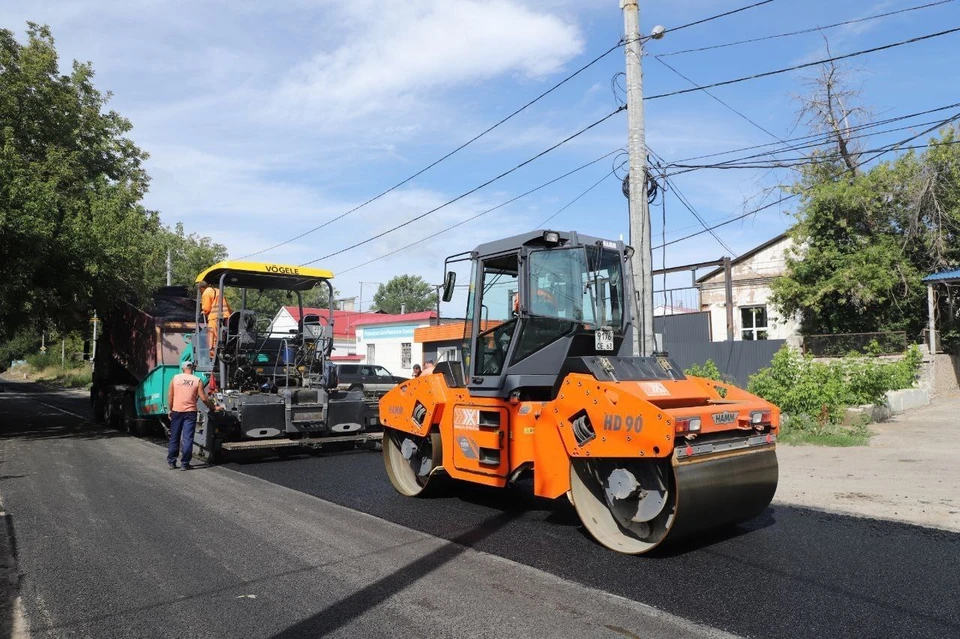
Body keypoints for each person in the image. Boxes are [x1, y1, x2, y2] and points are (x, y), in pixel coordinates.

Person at [167, 360, 222, 470]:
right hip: (190, 412)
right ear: (192, 369)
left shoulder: (175, 379)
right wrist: (214, 407)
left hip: (177, 411)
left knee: (175, 437)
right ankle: (185, 464)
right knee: (188, 438)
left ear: (183, 368)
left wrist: (170, 409)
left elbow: (170, 396)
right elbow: (204, 398)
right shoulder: (197, 380)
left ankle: (172, 462)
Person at [199, 280, 231, 358]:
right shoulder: (218, 291)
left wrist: (203, 311)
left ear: (201, 288)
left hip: (214, 316)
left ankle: (212, 353)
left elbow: (206, 308)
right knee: (222, 334)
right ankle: (222, 349)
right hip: (226, 316)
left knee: (212, 334)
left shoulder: (206, 292)